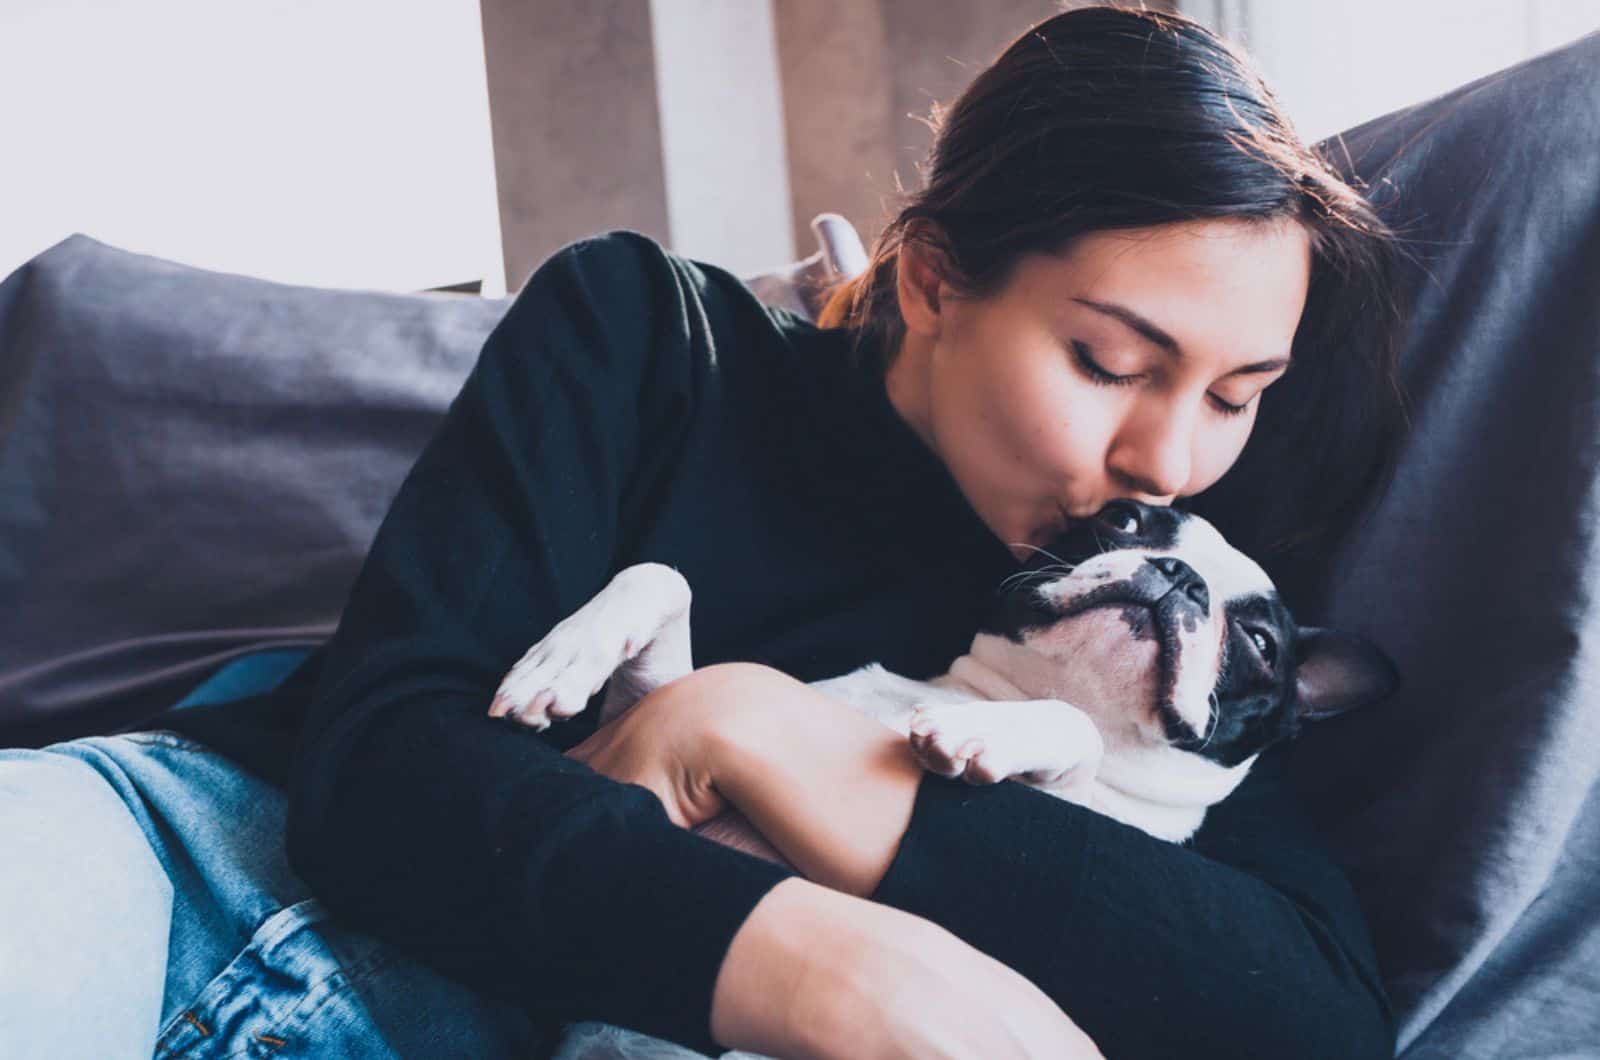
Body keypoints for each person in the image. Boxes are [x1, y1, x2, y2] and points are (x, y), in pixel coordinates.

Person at [0, 6, 1408, 1058]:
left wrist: (759, 739)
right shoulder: (652, 339)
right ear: (931, 282)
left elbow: (1310, 1012)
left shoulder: (1146, 607)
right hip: (202, 856)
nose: (1168, 459)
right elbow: (384, 771)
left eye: (1236, 395)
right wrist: (820, 960)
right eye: (1109, 363)